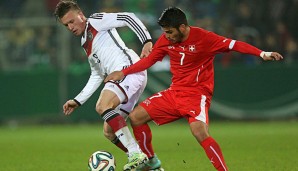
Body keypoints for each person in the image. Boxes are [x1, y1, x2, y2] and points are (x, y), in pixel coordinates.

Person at [104, 7, 284, 171]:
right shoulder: (165, 40)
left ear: (182, 27)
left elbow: (233, 44)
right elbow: (149, 61)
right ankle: (151, 162)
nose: (167, 36)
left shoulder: (205, 38)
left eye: (170, 32)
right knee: (136, 117)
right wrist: (123, 72)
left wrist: (262, 53)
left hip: (196, 94)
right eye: (165, 32)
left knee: (199, 132)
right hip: (174, 92)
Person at [54, 1, 159, 170]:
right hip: (125, 78)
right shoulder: (84, 42)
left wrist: (146, 40)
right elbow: (97, 74)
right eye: (66, 25)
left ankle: (135, 154)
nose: (70, 27)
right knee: (109, 132)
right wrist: (78, 100)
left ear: (80, 14)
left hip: (128, 69)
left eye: (72, 21)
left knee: (103, 105)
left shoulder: (95, 21)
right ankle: (150, 164)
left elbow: (127, 17)